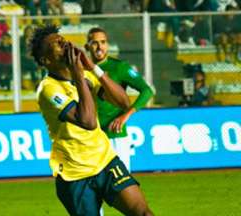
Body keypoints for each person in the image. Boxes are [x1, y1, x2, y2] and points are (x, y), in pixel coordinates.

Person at [32, 25, 153, 216]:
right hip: (75, 174)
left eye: (62, 39)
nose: (63, 43)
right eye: (56, 44)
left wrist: (93, 68)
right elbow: (88, 121)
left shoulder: (86, 74)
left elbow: (123, 102)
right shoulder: (48, 89)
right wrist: (79, 75)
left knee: (143, 213)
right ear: (45, 60)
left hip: (105, 161)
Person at [85, 27, 154, 171]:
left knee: (122, 187)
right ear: (87, 46)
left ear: (107, 45)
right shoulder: (81, 71)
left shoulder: (119, 67)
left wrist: (125, 116)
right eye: (94, 43)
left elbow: (147, 91)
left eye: (103, 42)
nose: (99, 47)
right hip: (91, 138)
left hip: (114, 136)